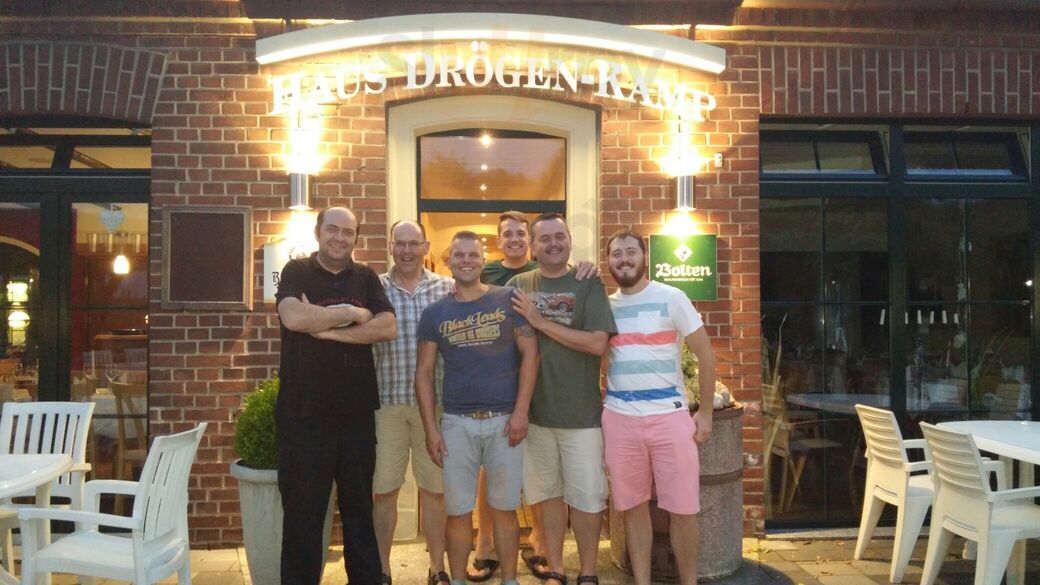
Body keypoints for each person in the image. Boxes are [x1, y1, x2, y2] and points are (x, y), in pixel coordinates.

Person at [275, 206, 397, 585]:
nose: (340, 238)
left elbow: (387, 326)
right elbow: (294, 317)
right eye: (333, 229)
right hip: (303, 417)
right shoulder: (296, 271)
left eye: (348, 232)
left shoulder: (366, 277)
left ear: (356, 238)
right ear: (318, 232)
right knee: (303, 519)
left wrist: (328, 329)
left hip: (356, 416)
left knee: (360, 516)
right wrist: (352, 313)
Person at [473, 211, 597, 581]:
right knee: (497, 471)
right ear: (498, 241)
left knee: (550, 483)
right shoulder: (490, 276)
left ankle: (544, 544)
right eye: (507, 233)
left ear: (530, 241)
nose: (514, 239)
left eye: (521, 233)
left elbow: (596, 337)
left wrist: (587, 266)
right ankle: (486, 542)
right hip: (508, 390)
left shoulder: (563, 274)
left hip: (560, 398)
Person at [416, 230, 540, 585]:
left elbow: (531, 355)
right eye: (459, 255)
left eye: (473, 255)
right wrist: (431, 429)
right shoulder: (435, 313)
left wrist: (521, 412)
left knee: (505, 509)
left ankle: (510, 580)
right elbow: (423, 373)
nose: (466, 261)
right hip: (457, 423)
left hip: (505, 422)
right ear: (449, 261)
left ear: (483, 261)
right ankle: (457, 579)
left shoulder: (507, 299)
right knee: (457, 512)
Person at [507, 212, 617, 585]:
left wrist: (541, 322)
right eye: (545, 238)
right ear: (533, 246)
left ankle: (587, 572)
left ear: (570, 239)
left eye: (560, 236)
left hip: (581, 416)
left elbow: (598, 343)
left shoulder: (588, 282)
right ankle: (555, 568)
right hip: (535, 416)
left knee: (587, 500)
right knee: (547, 497)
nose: (553, 244)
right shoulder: (519, 285)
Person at [603, 229, 716, 585]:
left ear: (645, 257)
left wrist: (706, 413)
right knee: (632, 508)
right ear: (608, 261)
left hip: (670, 418)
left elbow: (706, 355)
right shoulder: (605, 307)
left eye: (631, 251)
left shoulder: (672, 298)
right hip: (620, 420)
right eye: (616, 253)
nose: (624, 259)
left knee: (683, 509)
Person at [372, 220, 454, 585]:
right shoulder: (374, 288)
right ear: (391, 246)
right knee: (383, 491)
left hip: (432, 409)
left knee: (434, 491)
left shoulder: (447, 288)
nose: (407, 250)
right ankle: (382, 569)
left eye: (413, 243)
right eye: (400, 243)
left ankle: (437, 567)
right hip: (386, 404)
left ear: (425, 247)